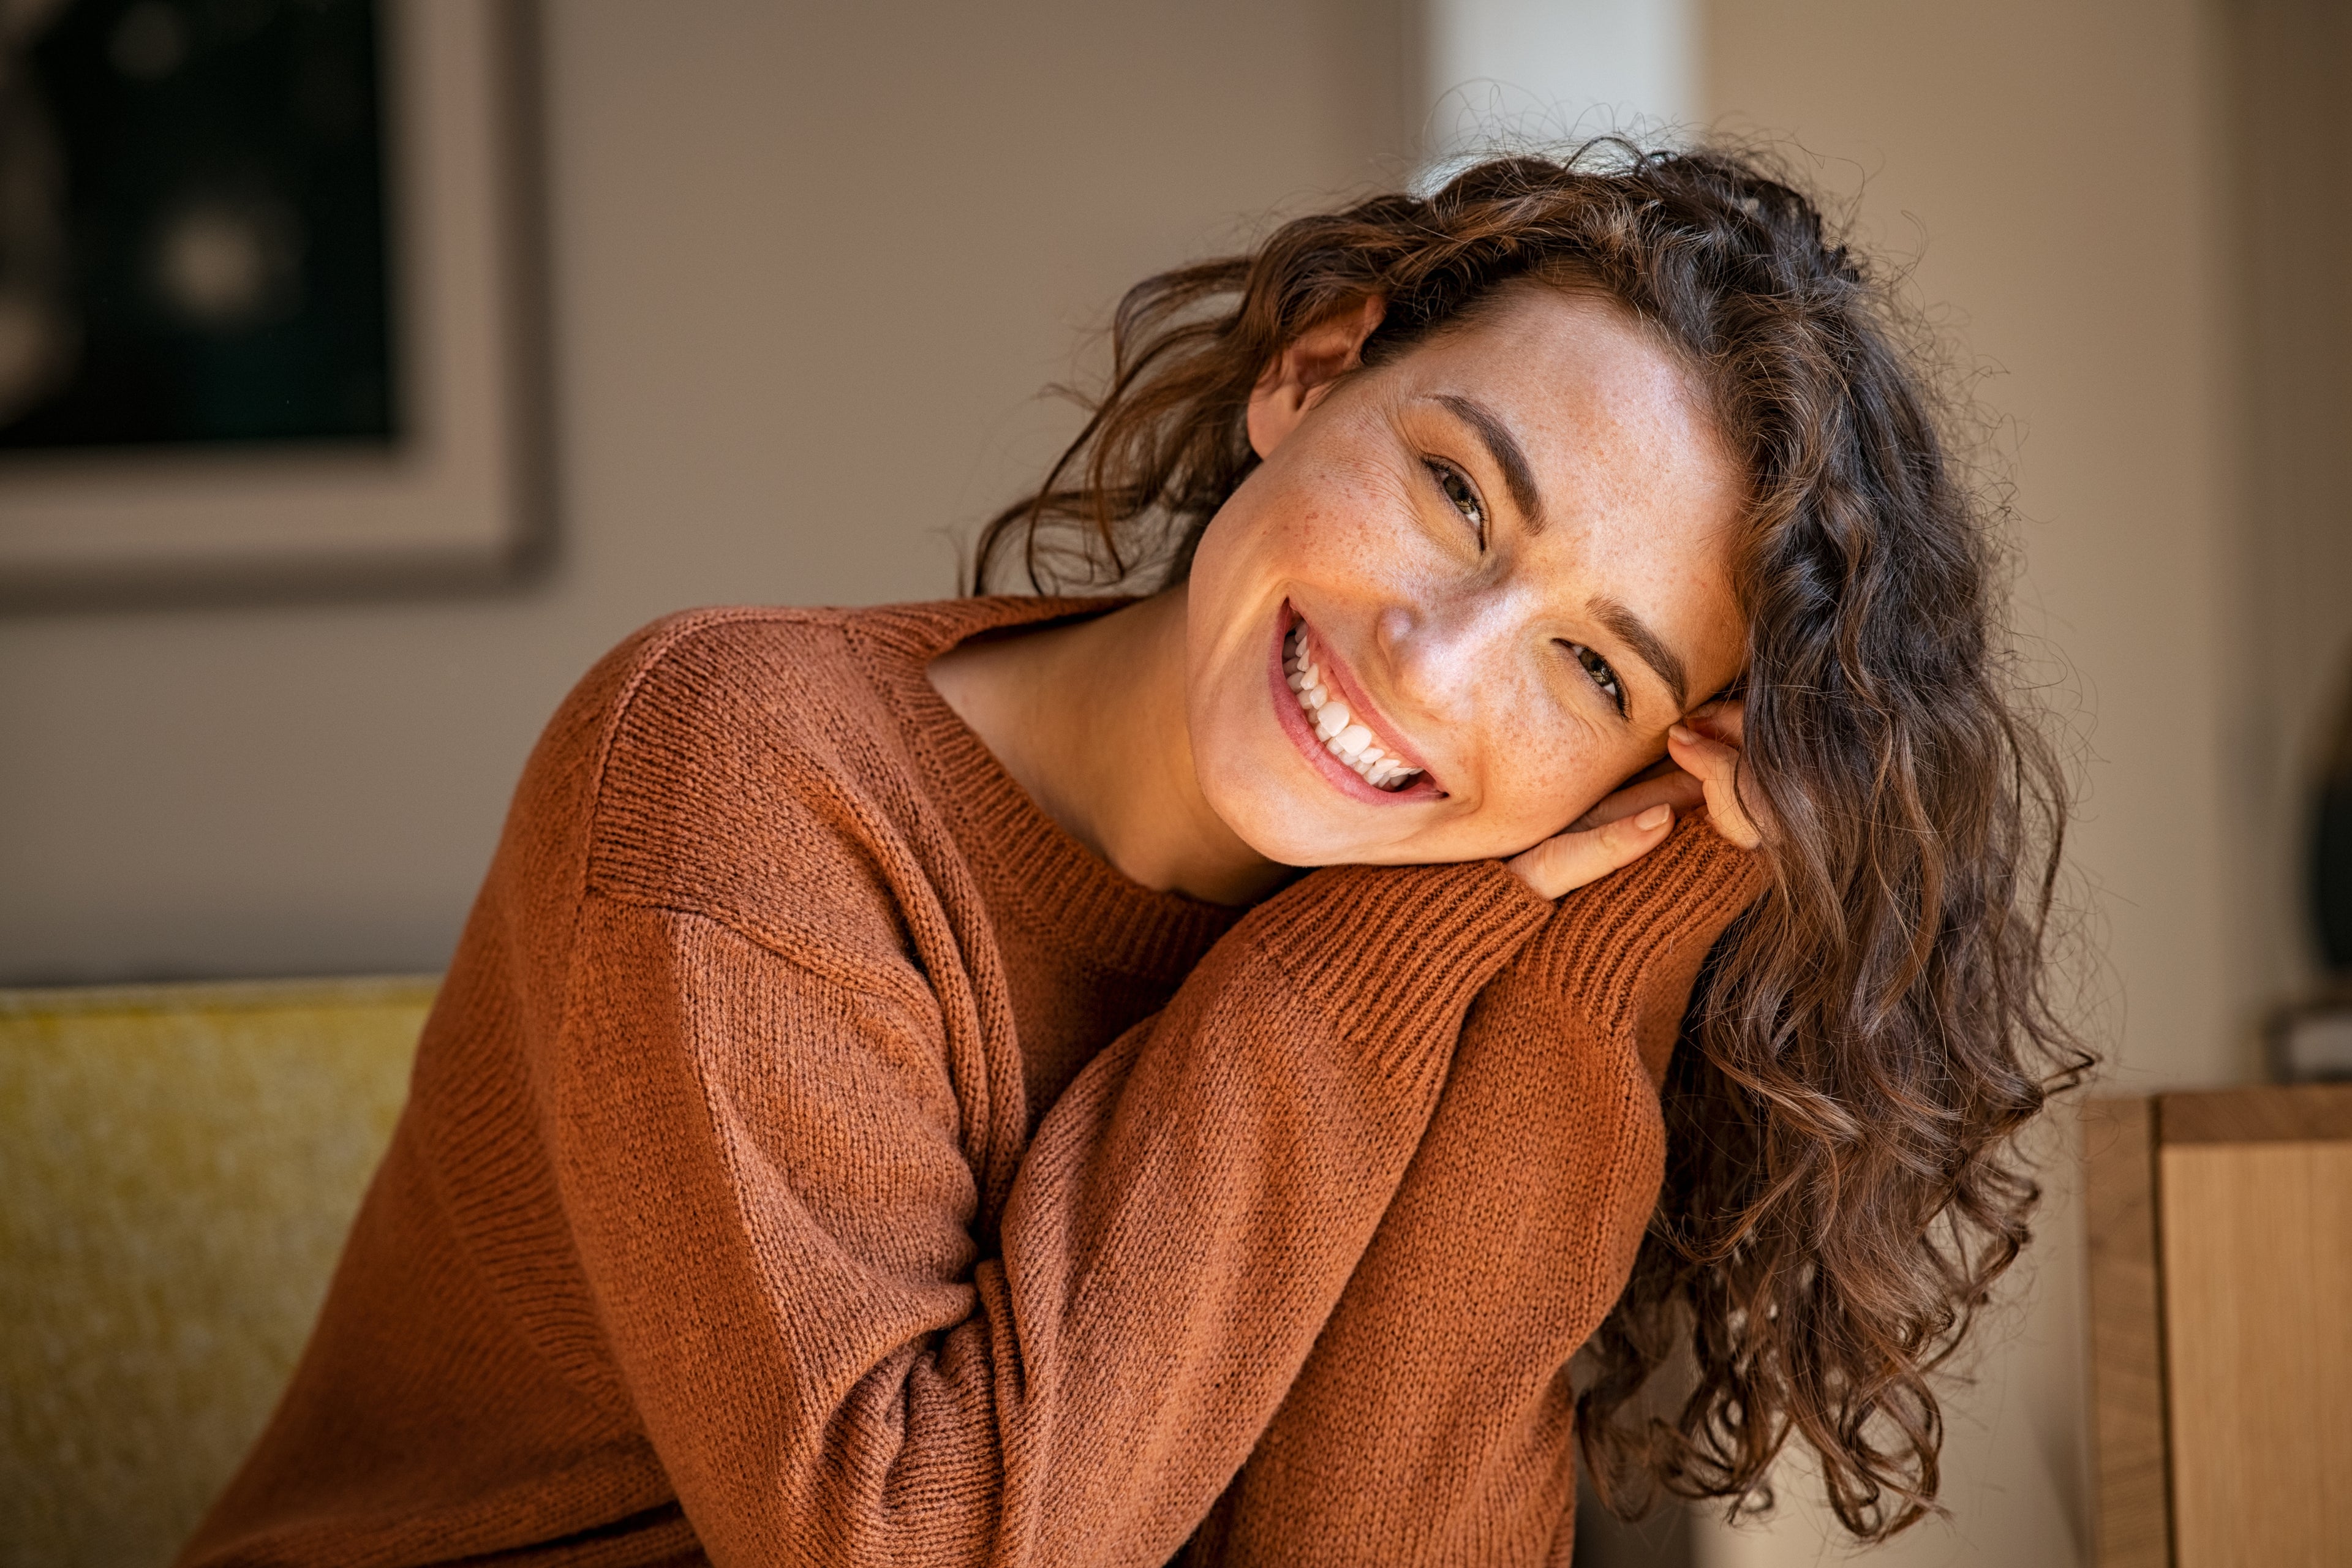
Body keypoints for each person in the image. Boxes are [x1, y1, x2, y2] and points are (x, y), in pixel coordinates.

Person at [180, 145, 2081, 1567]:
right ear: (1309, 372)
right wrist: (1371, 961)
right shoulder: (739, 767)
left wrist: (1608, 940)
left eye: (1591, 667)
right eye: (1452, 490)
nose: (1430, 668)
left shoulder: (1470, 925)